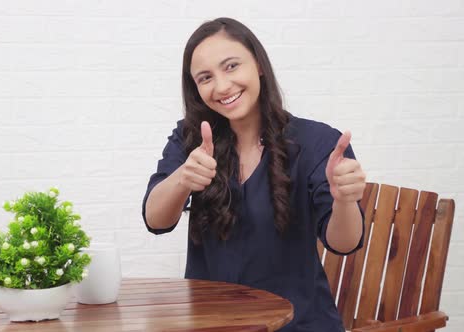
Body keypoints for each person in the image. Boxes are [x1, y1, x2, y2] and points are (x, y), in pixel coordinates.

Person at [142, 17, 366, 332]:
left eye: (231, 66)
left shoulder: (317, 143)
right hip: (212, 324)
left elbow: (344, 243)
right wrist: (183, 178)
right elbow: (156, 220)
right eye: (205, 77)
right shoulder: (191, 138)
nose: (221, 86)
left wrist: (345, 200)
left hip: (297, 324)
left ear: (258, 65)